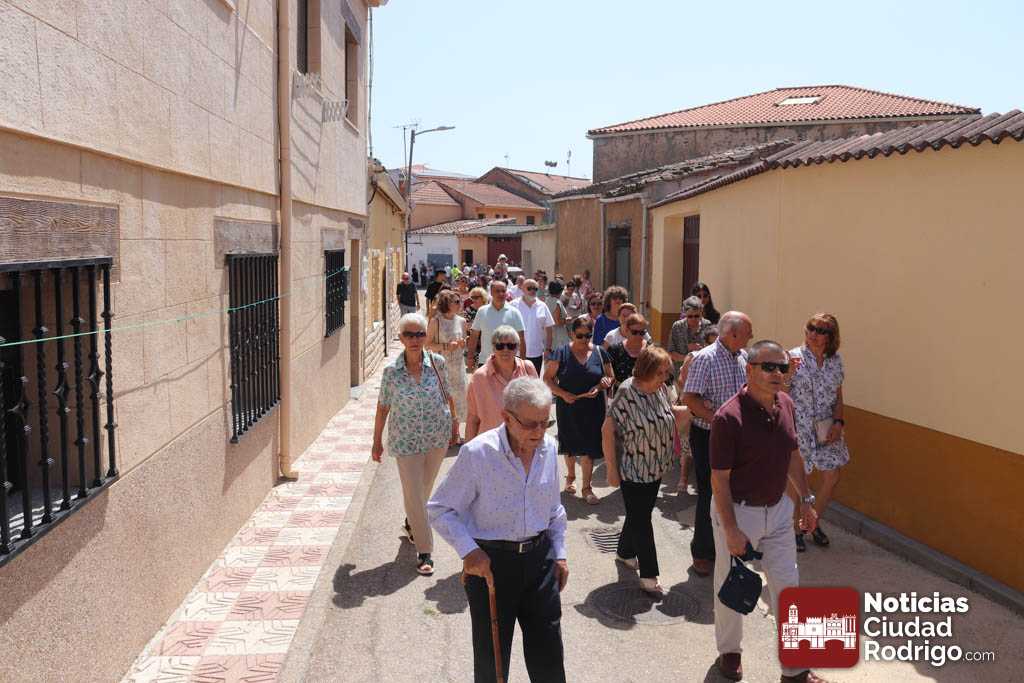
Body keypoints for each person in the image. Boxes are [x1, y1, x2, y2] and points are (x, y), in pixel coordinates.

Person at [428, 377, 569, 683]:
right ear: (506, 417)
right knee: (492, 661)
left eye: (545, 423)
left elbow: (554, 510)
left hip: (540, 560)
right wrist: (469, 551)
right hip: (492, 565)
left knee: (549, 655)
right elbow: (440, 508)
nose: (539, 432)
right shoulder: (478, 453)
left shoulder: (548, 448)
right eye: (530, 424)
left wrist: (559, 554)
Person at [709, 340, 822, 683]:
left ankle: (795, 670)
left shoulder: (785, 404)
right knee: (731, 585)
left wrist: (806, 499)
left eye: (782, 367)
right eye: (768, 367)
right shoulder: (728, 417)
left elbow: (793, 455)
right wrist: (730, 529)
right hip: (738, 512)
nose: (777, 374)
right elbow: (719, 480)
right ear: (749, 369)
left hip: (778, 511)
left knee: (789, 587)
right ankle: (730, 651)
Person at [371, 313, 458, 576]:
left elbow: (448, 395)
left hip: (436, 437)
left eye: (419, 334)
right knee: (414, 494)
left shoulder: (438, 363)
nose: (415, 339)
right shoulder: (391, 372)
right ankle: (425, 550)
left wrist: (455, 424)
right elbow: (383, 407)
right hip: (405, 441)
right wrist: (376, 441)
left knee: (424, 490)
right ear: (400, 338)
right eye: (409, 334)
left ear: (425, 337)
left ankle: (412, 523)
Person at [603, 346, 686, 596]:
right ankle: (649, 575)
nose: (664, 377)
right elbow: (607, 431)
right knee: (642, 519)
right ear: (646, 370)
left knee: (639, 514)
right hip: (633, 468)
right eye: (660, 372)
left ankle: (624, 552)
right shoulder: (627, 391)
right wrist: (611, 470)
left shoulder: (660, 389)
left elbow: (668, 414)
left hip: (656, 466)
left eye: (666, 372)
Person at [682, 311, 752, 577]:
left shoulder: (743, 357)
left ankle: (730, 545)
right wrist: (720, 421)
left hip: (739, 437)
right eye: (748, 332)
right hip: (709, 435)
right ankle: (703, 552)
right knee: (709, 493)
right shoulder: (705, 358)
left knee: (735, 492)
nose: (751, 337)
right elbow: (690, 398)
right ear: (733, 333)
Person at [787, 313, 849, 552]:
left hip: (826, 427)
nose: (813, 334)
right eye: (811, 328)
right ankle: (794, 530)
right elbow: (779, 392)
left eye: (820, 330)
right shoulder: (792, 357)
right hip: (799, 427)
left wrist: (839, 422)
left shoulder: (836, 361)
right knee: (796, 480)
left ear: (830, 337)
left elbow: (838, 396)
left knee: (832, 476)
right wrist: (787, 375)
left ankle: (812, 522)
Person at [544, 317, 614, 504]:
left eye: (588, 335)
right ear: (571, 334)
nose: (584, 339)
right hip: (568, 406)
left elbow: (610, 376)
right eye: (580, 335)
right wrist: (563, 394)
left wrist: (602, 385)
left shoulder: (599, 352)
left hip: (593, 407)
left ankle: (586, 488)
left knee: (589, 447)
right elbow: (547, 379)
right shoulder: (561, 353)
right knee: (569, 445)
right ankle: (570, 477)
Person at [465, 326, 538, 440]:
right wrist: (468, 449)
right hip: (491, 444)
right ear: (493, 348)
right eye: (500, 346)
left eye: (511, 346)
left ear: (517, 347)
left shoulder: (528, 368)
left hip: (523, 442)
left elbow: (539, 409)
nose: (505, 350)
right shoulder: (479, 377)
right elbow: (473, 418)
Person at [427, 291, 469, 442]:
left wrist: (463, 343)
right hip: (441, 367)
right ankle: (444, 434)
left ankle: (455, 433)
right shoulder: (436, 322)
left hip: (458, 367)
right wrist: (445, 346)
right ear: (447, 303)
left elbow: (464, 342)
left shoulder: (462, 321)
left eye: (460, 301)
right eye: (456, 302)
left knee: (458, 399)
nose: (460, 304)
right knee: (443, 399)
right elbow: (427, 344)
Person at [467, 280, 526, 369]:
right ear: (491, 292)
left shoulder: (515, 312)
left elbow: (521, 339)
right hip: (486, 362)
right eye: (497, 291)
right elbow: (474, 336)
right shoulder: (482, 311)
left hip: (509, 363)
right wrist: (470, 357)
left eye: (503, 291)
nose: (501, 294)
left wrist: (523, 362)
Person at [512, 278, 555, 374]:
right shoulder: (513, 305)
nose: (532, 291)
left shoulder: (542, 306)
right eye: (529, 288)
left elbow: (549, 329)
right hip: (516, 353)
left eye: (535, 289)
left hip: (536, 353)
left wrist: (548, 349)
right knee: (517, 380)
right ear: (522, 289)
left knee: (534, 381)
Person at [668, 295, 713, 375]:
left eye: (696, 316)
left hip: (702, 371)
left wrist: (702, 349)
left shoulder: (707, 325)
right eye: (690, 316)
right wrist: (689, 356)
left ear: (701, 313)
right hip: (681, 372)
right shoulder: (677, 326)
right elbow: (671, 353)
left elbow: (712, 349)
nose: (693, 319)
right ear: (685, 314)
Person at [605, 313, 650, 386]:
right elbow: (607, 375)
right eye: (634, 332)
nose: (638, 336)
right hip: (620, 391)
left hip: (645, 391)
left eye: (642, 332)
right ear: (626, 330)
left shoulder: (650, 350)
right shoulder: (615, 350)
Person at [546, 280, 570, 355]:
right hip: (559, 337)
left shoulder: (547, 300)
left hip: (550, 335)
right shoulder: (557, 302)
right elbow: (557, 321)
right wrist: (567, 320)